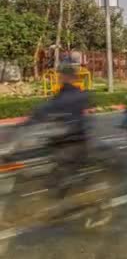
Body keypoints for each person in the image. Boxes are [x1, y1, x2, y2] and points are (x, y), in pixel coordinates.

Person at [28, 62, 90, 197]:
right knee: (51, 176)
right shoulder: (62, 95)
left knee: (63, 179)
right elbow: (44, 110)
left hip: (74, 143)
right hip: (61, 142)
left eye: (64, 76)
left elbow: (67, 114)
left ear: (71, 77)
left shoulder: (75, 95)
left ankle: (75, 200)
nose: (62, 78)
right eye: (61, 76)